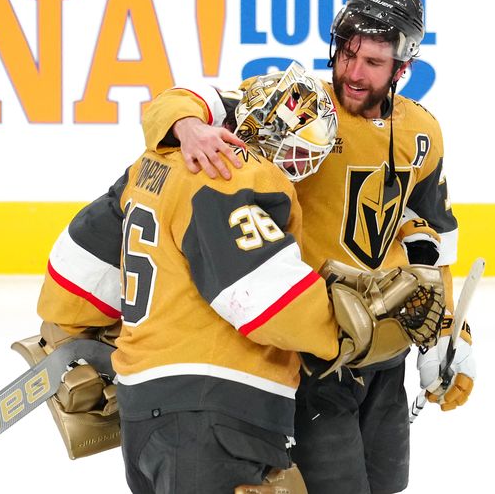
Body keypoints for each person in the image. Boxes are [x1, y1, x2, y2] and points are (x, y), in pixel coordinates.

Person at [26, 62, 443, 494]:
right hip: (216, 413)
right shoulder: (230, 175)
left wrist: (67, 331)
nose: (305, 163)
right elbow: (265, 299)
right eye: (305, 149)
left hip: (142, 413)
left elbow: (81, 263)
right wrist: (352, 331)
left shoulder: (154, 163)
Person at [143, 0, 476, 494]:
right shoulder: (294, 105)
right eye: (347, 53)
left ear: (402, 67)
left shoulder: (423, 132)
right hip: (315, 355)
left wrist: (449, 334)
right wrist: (188, 125)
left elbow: (432, 241)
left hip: (387, 355)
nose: (353, 72)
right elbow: (177, 99)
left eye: (373, 61)